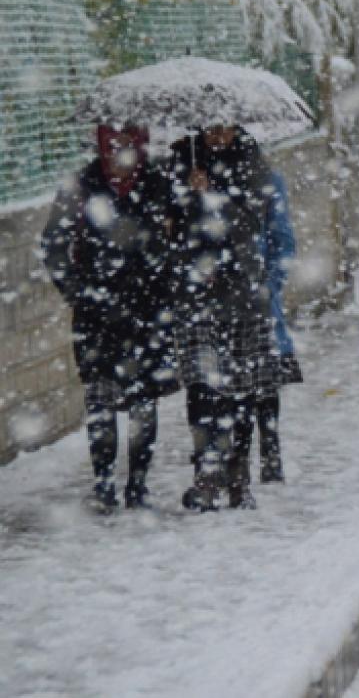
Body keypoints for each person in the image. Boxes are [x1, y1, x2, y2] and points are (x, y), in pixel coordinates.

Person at [40, 122, 179, 511]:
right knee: (101, 399)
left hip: (148, 312)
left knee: (143, 400)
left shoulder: (158, 183)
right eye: (112, 145)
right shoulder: (81, 185)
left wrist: (163, 276)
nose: (119, 154)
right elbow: (53, 245)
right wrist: (79, 292)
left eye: (126, 145)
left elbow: (182, 239)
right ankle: (103, 482)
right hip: (96, 314)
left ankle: (138, 483)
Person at [168, 124, 278, 511]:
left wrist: (211, 192)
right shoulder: (182, 158)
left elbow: (252, 220)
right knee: (201, 388)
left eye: (224, 126)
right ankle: (205, 475)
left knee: (241, 390)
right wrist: (185, 194)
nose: (217, 134)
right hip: (197, 295)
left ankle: (238, 476)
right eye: (210, 126)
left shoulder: (252, 161)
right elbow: (168, 224)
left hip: (242, 295)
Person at [229, 167, 302, 488]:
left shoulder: (266, 180)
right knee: (233, 381)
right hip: (219, 298)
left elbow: (283, 239)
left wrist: (269, 284)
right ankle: (238, 458)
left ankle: (270, 450)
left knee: (264, 374)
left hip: (257, 295)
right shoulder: (195, 172)